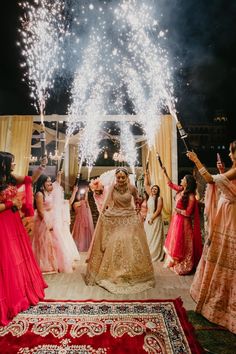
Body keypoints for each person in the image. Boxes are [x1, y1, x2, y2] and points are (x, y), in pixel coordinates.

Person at [186, 141, 236, 334]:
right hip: (225, 214)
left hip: (230, 218)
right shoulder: (232, 170)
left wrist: (196, 160)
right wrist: (224, 174)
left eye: (232, 152)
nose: (230, 155)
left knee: (227, 259)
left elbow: (208, 179)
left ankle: (223, 306)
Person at [85, 167, 155, 294]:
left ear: (127, 177)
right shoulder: (112, 188)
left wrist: (139, 205)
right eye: (119, 177)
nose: (121, 180)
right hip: (115, 218)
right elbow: (106, 201)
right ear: (115, 178)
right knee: (115, 243)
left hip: (129, 218)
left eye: (123, 177)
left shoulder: (132, 188)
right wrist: (102, 213)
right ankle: (115, 273)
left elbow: (137, 198)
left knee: (130, 243)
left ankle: (131, 274)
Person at [0, 151, 47, 326]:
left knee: (17, 258)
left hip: (13, 223)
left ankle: (20, 294)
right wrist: (10, 204)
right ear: (3, 164)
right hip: (2, 225)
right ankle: (8, 299)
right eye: (11, 162)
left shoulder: (10, 178)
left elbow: (30, 180)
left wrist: (41, 166)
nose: (14, 165)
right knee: (6, 261)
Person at [32, 171, 79, 274]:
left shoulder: (48, 193)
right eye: (48, 181)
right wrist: (48, 224)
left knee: (55, 242)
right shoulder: (39, 194)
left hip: (51, 219)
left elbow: (57, 185)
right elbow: (40, 211)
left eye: (50, 181)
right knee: (44, 243)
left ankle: (56, 263)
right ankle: (45, 264)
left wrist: (59, 176)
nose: (50, 183)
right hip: (42, 221)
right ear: (42, 182)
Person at [162, 169, 202, 275]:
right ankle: (175, 261)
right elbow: (170, 184)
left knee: (183, 242)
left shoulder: (191, 196)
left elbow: (188, 213)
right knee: (176, 240)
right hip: (176, 220)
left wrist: (178, 210)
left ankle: (185, 263)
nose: (181, 180)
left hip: (184, 223)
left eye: (183, 179)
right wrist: (165, 173)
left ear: (187, 183)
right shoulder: (181, 190)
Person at [143, 170, 165, 261]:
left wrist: (152, 218)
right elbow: (146, 185)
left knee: (155, 237)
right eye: (153, 188)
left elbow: (159, 210)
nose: (153, 190)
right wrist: (146, 175)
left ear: (158, 191)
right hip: (149, 218)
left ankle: (155, 254)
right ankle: (148, 253)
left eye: (156, 189)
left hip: (155, 219)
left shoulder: (159, 198)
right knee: (148, 236)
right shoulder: (150, 196)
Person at [70, 185, 94, 252]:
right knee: (79, 235)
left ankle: (86, 248)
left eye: (81, 195)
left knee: (85, 235)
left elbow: (86, 204)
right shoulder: (75, 204)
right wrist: (86, 193)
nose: (80, 196)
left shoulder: (84, 202)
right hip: (79, 222)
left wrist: (86, 194)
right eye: (79, 195)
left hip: (85, 221)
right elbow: (84, 202)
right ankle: (79, 248)